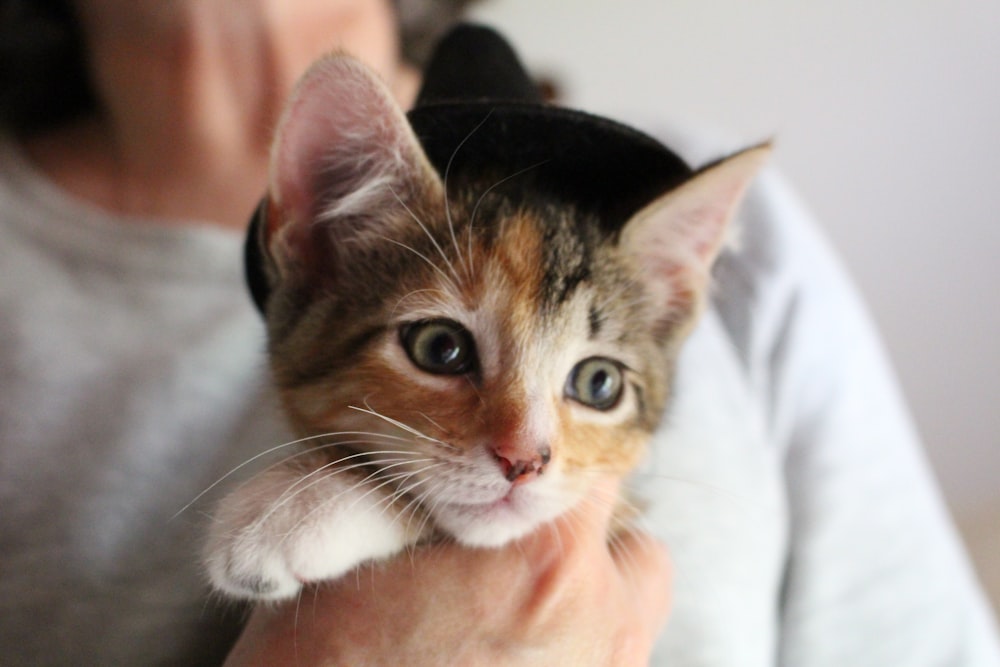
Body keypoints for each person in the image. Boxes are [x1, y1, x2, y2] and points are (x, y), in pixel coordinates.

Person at [0, 1, 996, 665]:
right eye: (442, 348)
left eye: (594, 384)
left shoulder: (680, 193)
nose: (523, 449)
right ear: (314, 230)